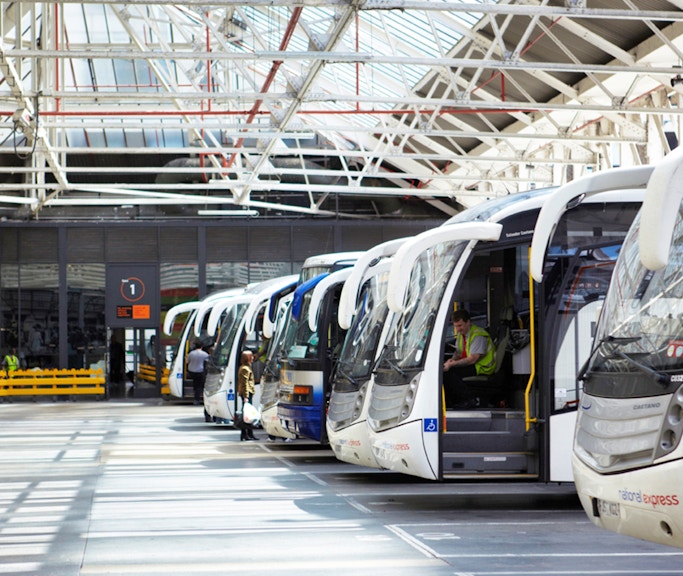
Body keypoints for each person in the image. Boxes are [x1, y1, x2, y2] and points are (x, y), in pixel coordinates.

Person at [443, 309, 496, 409]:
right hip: (475, 365)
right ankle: (452, 402)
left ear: (468, 322)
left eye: (460, 325)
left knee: (451, 374)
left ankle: (470, 400)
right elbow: (458, 353)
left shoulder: (478, 335)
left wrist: (453, 364)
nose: (458, 329)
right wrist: (450, 361)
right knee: (447, 372)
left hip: (483, 367)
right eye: (455, 326)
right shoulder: (461, 335)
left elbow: (473, 359)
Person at [186, 341, 210, 420]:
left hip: (192, 371)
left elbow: (187, 362)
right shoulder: (205, 354)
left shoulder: (191, 354)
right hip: (201, 372)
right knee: (200, 386)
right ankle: (199, 399)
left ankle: (196, 399)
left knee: (195, 385)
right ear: (202, 347)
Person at [237, 350, 256, 441]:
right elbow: (244, 383)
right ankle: (246, 433)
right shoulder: (245, 368)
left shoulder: (246, 367)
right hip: (247, 394)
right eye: (251, 356)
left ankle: (248, 433)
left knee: (247, 414)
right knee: (247, 415)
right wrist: (246, 396)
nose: (253, 358)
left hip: (247, 393)